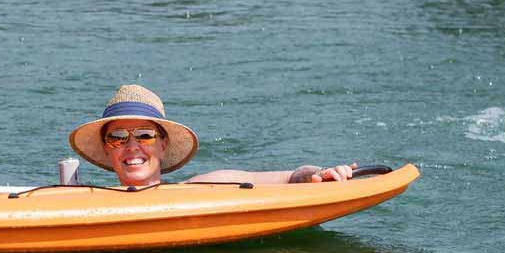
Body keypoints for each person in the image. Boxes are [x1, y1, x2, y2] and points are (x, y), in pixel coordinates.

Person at [68, 85, 356, 188]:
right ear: (107, 149)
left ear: (163, 143)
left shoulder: (205, 186)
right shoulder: (84, 202)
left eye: (144, 135)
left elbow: (291, 177)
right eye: (118, 137)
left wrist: (321, 173)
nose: (131, 146)